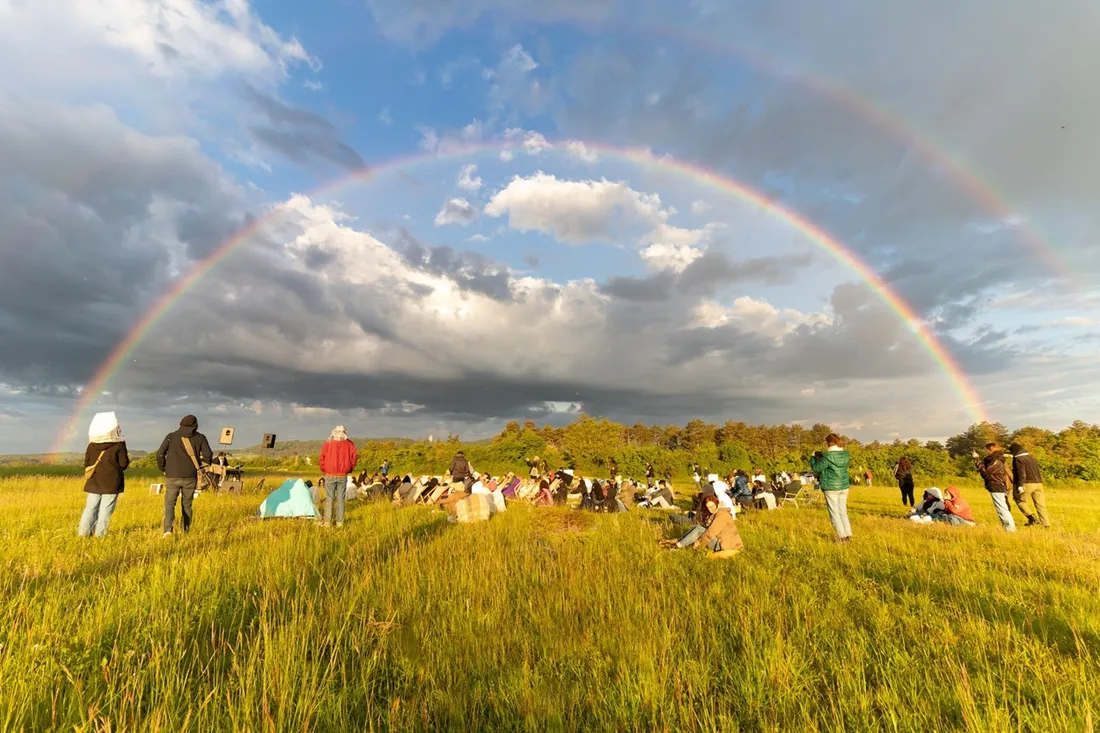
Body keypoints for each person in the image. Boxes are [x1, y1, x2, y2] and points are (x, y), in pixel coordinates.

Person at [156, 415, 213, 537]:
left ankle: (168, 531)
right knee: (187, 504)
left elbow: (160, 454)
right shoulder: (200, 438)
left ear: (181, 423)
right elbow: (208, 455)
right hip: (190, 476)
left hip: (172, 475)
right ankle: (186, 530)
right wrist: (201, 466)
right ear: (195, 425)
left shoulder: (171, 436)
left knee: (169, 504)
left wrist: (164, 468)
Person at [78, 412, 130, 538]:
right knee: (106, 510)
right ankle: (100, 535)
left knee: (90, 508)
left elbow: (87, 463)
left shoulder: (91, 445)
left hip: (94, 481)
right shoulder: (119, 444)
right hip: (112, 482)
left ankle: (83, 533)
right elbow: (123, 464)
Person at [661, 494, 743, 558]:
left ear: (717, 503)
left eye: (712, 506)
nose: (710, 509)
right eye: (708, 508)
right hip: (721, 540)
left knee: (699, 530)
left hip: (726, 544)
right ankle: (678, 541)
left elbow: (710, 533)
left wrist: (699, 544)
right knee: (696, 527)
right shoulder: (716, 513)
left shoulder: (721, 515)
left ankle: (676, 546)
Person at [810, 434, 852, 542]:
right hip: (844, 486)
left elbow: (817, 468)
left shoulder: (828, 456)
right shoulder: (845, 454)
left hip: (831, 487)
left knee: (834, 513)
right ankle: (848, 534)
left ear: (828, 442)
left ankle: (842, 537)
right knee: (843, 511)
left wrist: (813, 458)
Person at [319, 425, 358, 527]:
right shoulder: (349, 444)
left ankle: (327, 522)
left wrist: (324, 469)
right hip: (343, 475)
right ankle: (339, 523)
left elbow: (322, 458)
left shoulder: (328, 443)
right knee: (341, 499)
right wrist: (349, 469)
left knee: (329, 498)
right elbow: (354, 458)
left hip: (329, 474)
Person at [972, 442, 1015, 531]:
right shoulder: (998, 459)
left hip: (996, 485)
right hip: (998, 485)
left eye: (986, 450)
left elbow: (986, 472)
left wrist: (977, 459)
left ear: (990, 450)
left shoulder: (995, 460)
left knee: (1002, 509)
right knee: (1002, 508)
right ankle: (1008, 528)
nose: (985, 452)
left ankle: (1010, 529)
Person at [1009, 443, 1050, 528]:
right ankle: (1046, 524)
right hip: (1038, 483)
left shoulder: (1018, 459)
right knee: (1040, 504)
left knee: (1020, 501)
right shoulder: (1031, 458)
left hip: (1027, 483)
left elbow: (1021, 473)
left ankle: (1032, 518)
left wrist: (1020, 485)